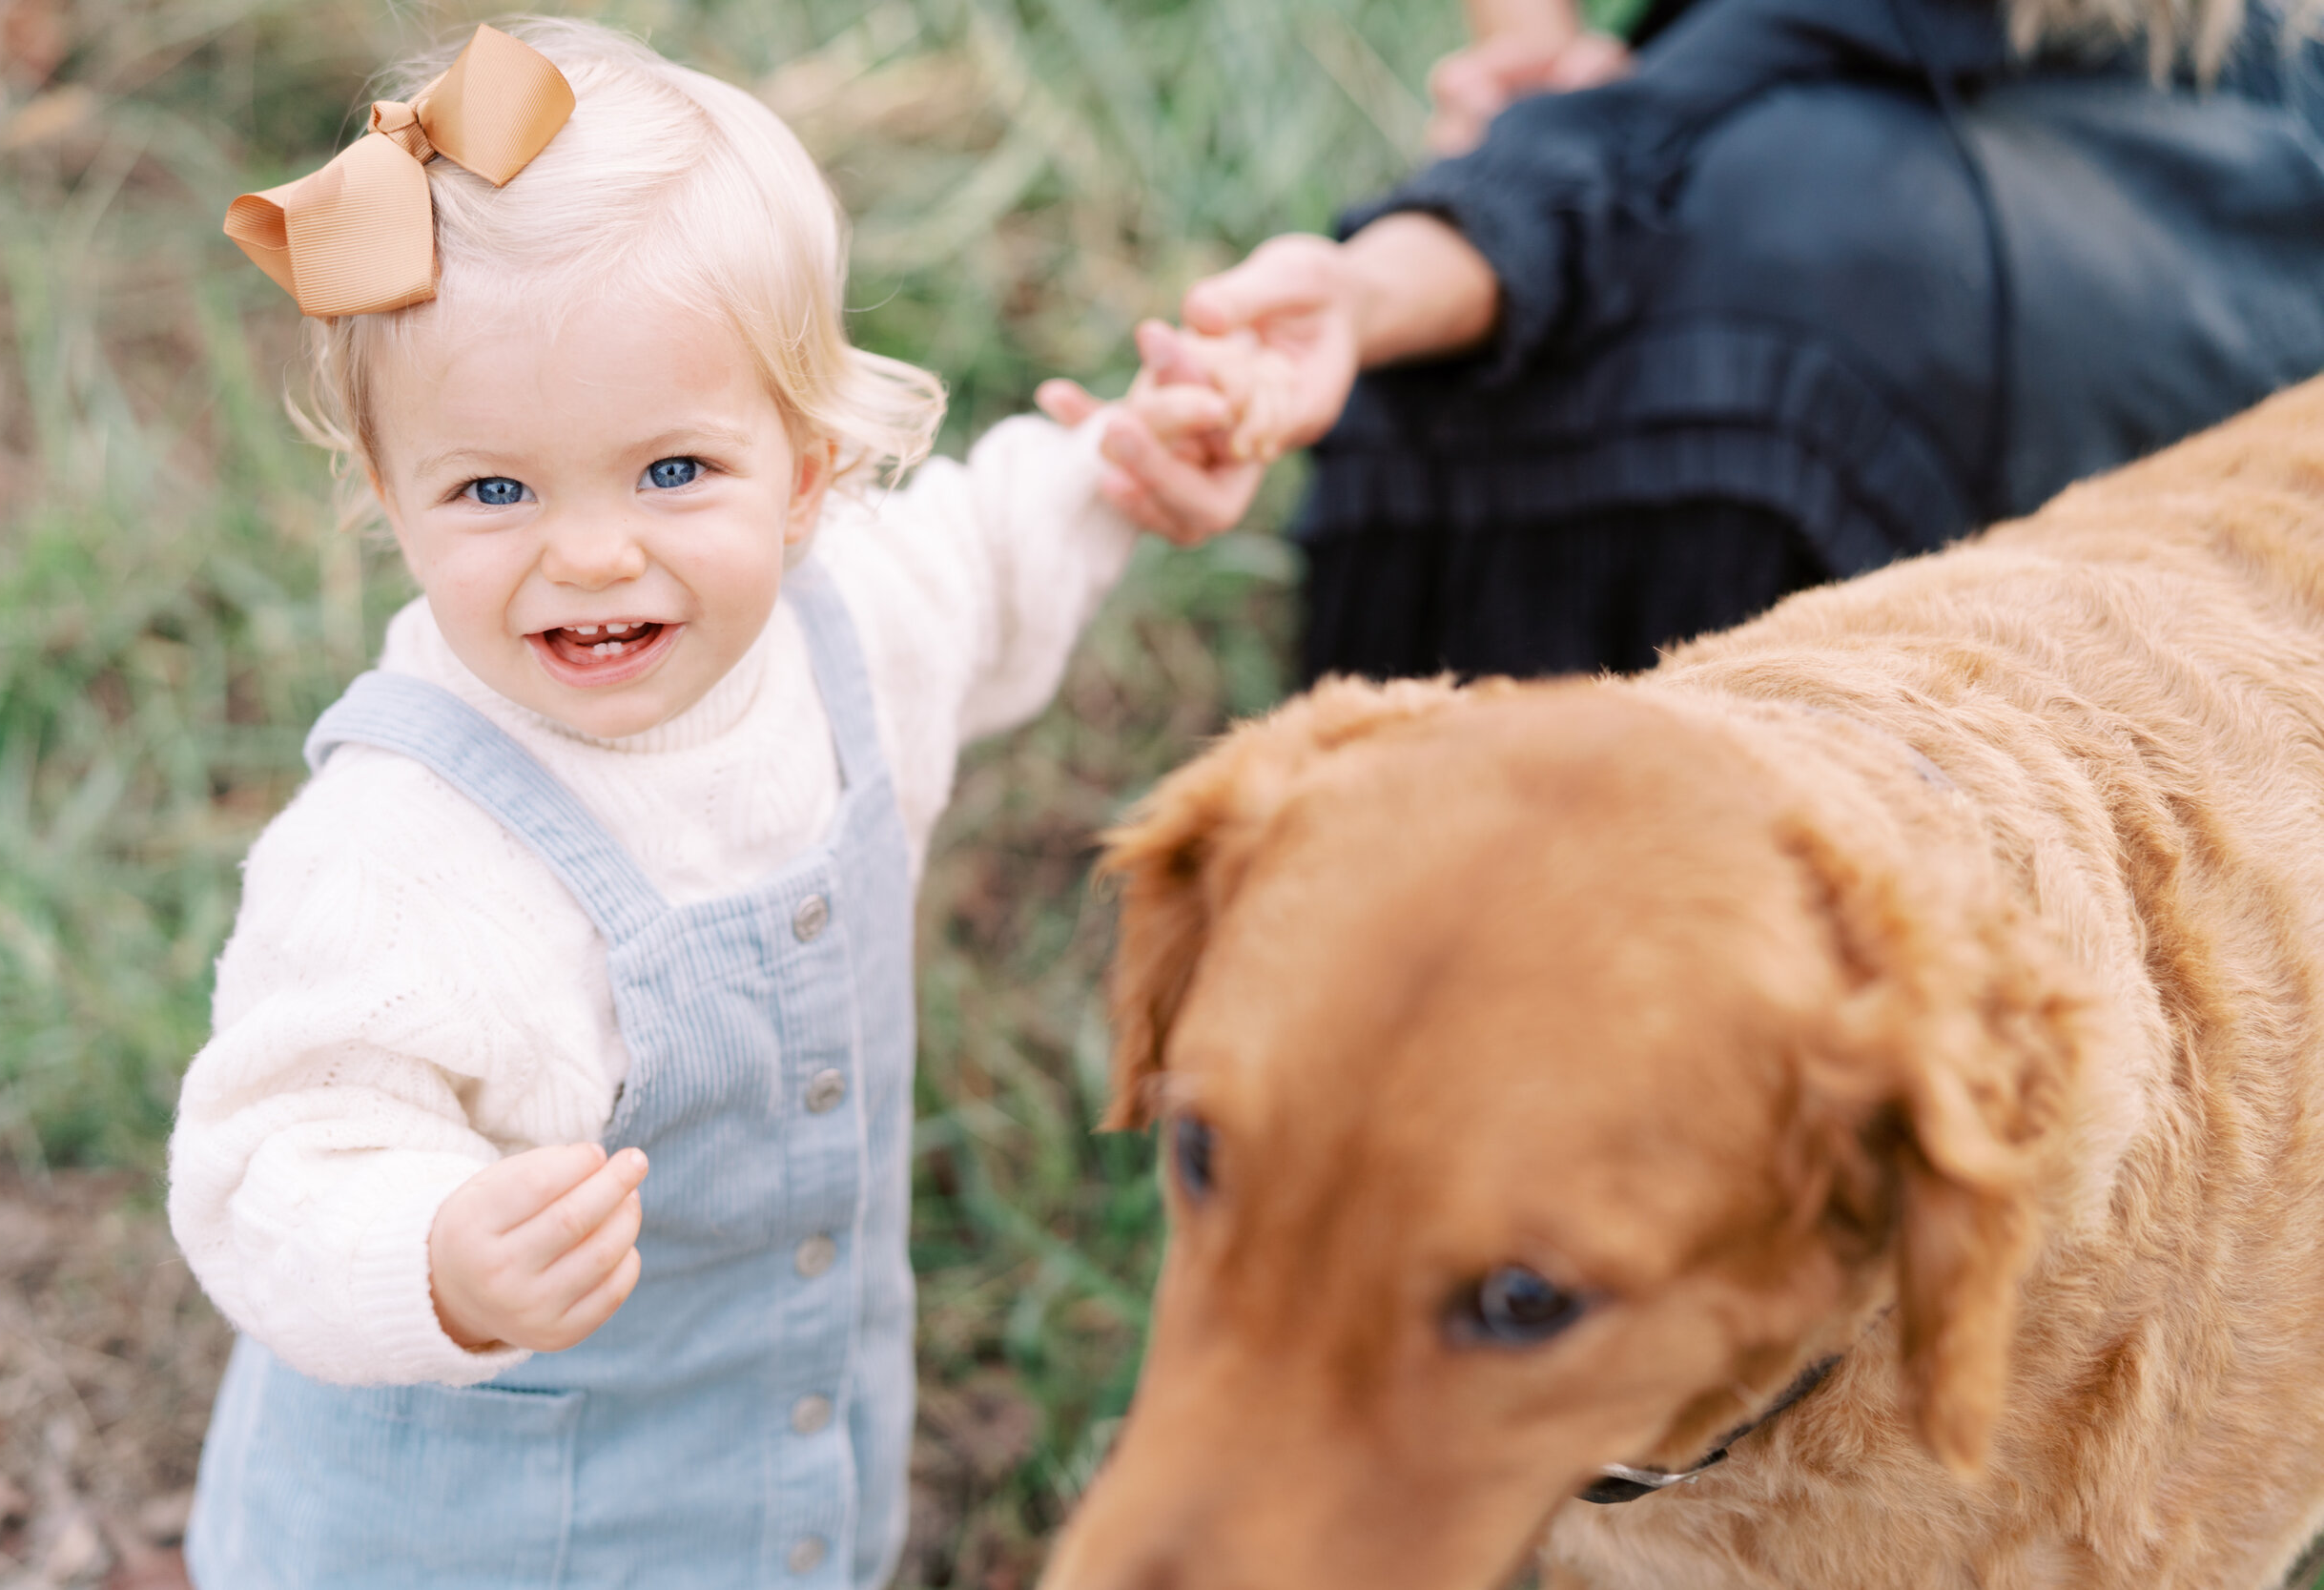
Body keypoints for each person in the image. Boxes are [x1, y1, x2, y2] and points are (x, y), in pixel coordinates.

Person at [168, 19, 1240, 1587]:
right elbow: (271, 1159)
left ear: (807, 473)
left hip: (768, 1474)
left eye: (672, 471)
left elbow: (983, 559)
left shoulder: (849, 624)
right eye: (493, 490)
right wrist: (436, 1258)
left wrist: (1113, 474)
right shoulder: (404, 851)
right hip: (466, 1545)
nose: (591, 553)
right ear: (388, 498)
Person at [1052, 0, 2324, 680]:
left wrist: (1364, 298)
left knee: (1711, 274)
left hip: (1959, 360)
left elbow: (1610, 160)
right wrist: (1539, 52)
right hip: (2234, 476)